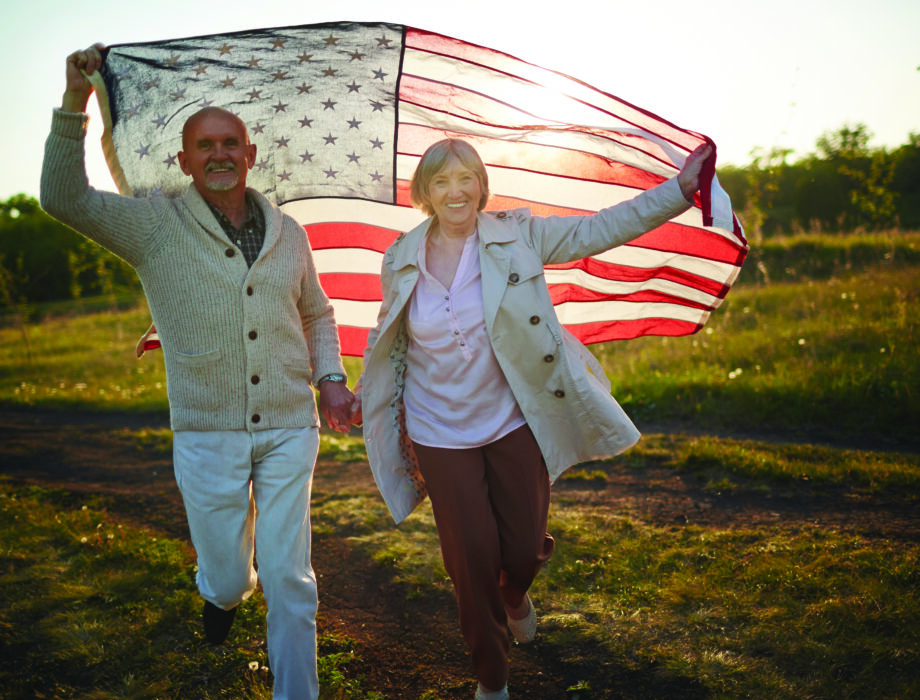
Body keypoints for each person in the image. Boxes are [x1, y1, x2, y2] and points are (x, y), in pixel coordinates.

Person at [41, 44, 354, 700]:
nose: (220, 153)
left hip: (290, 429)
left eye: (231, 142)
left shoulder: (288, 232)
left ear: (250, 154)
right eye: (205, 144)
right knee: (229, 576)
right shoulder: (153, 226)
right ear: (184, 161)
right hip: (207, 435)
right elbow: (63, 198)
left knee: (291, 579)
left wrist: (330, 379)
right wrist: (75, 102)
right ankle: (220, 594)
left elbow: (318, 313)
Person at [350, 137, 713, 699]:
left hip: (513, 417)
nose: (456, 192)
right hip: (438, 429)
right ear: (425, 193)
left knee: (519, 550)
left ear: (481, 185)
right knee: (470, 563)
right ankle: (492, 680)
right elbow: (387, 328)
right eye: (442, 182)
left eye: (466, 178)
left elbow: (600, 228)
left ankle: (515, 591)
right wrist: (358, 388)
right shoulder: (401, 254)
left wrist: (680, 190)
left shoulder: (517, 234)